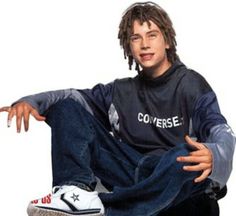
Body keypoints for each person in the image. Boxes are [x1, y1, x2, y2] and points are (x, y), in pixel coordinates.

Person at [0, 2, 235, 216]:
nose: (145, 44)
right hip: (130, 171)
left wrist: (215, 155)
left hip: (177, 185)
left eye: (152, 35)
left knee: (185, 155)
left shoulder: (191, 84)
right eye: (136, 38)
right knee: (66, 106)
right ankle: (75, 194)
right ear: (128, 45)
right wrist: (32, 101)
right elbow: (73, 98)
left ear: (167, 40)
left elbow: (221, 130)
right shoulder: (120, 91)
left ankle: (108, 209)